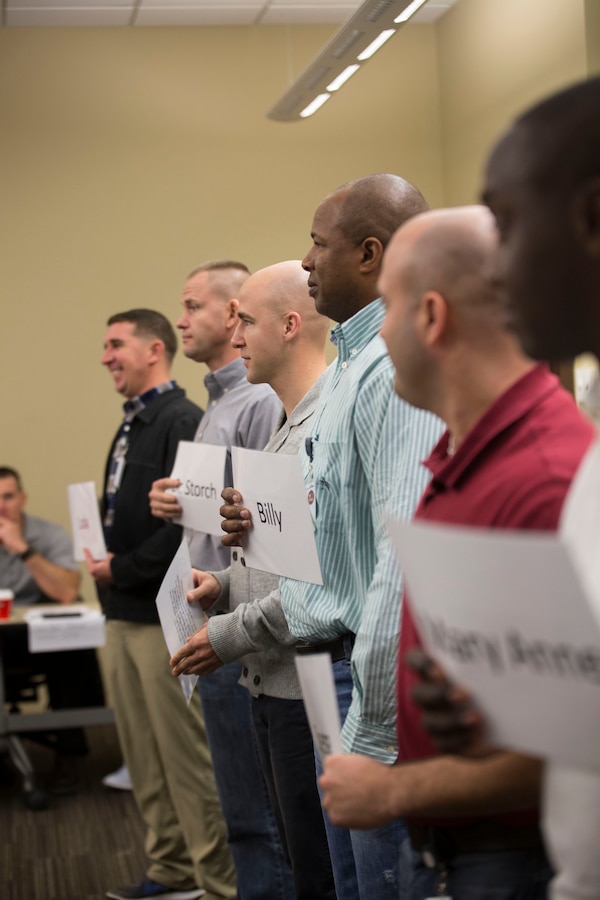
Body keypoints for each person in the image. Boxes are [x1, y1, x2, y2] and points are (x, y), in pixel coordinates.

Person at [320, 203, 598, 897]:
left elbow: (573, 747)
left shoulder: (546, 478)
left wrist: (390, 793)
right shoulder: (464, 455)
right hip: (468, 838)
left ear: (433, 318)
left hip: (518, 854)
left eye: (387, 307)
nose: (379, 331)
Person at [215, 175, 442, 899]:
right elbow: (333, 541)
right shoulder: (348, 369)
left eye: (319, 243)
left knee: (377, 885)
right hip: (328, 666)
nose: (307, 261)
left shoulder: (387, 372)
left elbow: (397, 565)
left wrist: (371, 730)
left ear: (371, 254)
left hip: (360, 679)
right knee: (348, 884)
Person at [409, 76, 600, 900]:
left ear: (592, 220)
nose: (498, 269)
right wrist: (516, 715)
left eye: (510, 225)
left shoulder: (560, 463)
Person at [169, 260, 336, 900]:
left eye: (247, 321)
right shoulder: (282, 434)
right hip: (270, 678)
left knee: (316, 869)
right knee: (297, 858)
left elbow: (320, 588)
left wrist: (230, 630)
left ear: (291, 325)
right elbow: (275, 564)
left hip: (306, 684)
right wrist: (225, 587)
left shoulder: (317, 430)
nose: (236, 338)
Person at [147, 263, 291, 900]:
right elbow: (227, 515)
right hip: (217, 610)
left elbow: (270, 534)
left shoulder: (258, 401)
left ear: (233, 313)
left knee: (260, 816)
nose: (180, 320)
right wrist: (180, 503)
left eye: (191, 306)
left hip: (247, 629)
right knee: (243, 808)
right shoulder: (219, 403)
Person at [84, 308, 235, 900]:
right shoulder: (132, 423)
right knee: (143, 757)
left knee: (184, 759)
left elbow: (185, 528)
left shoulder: (181, 419)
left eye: (115, 343)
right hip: (120, 612)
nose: (105, 357)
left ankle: (215, 882)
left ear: (153, 350)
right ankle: (171, 868)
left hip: (158, 617)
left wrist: (120, 568)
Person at [0, 465, 105, 790]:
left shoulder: (48, 534)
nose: (1, 506)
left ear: (23, 499)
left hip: (36, 639)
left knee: (72, 645)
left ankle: (71, 751)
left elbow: (66, 593)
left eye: (7, 496)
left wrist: (22, 549)